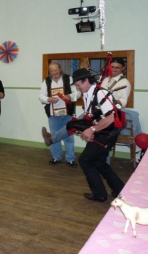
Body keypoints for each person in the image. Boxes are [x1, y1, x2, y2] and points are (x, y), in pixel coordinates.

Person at [59, 68, 124, 202]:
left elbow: (111, 117)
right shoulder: (88, 93)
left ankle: (100, 194)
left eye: (78, 84)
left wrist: (92, 130)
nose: (77, 87)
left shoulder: (100, 93)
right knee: (99, 162)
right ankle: (119, 189)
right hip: (102, 132)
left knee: (85, 160)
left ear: (86, 80)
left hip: (107, 134)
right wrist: (91, 129)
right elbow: (95, 117)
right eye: (76, 85)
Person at [39, 62, 80, 166]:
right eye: (52, 70)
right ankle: (56, 157)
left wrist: (69, 96)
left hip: (67, 113)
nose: (54, 72)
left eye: (56, 70)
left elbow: (78, 92)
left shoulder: (69, 79)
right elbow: (41, 96)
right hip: (53, 114)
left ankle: (70, 159)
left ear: (60, 69)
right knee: (54, 135)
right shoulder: (46, 81)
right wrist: (48, 99)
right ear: (49, 71)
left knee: (69, 136)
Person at [100, 57, 141, 135]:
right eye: (112, 67)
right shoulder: (105, 80)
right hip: (101, 111)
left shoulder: (124, 82)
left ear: (123, 68)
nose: (114, 69)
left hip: (113, 113)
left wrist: (112, 103)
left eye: (117, 68)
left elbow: (123, 101)